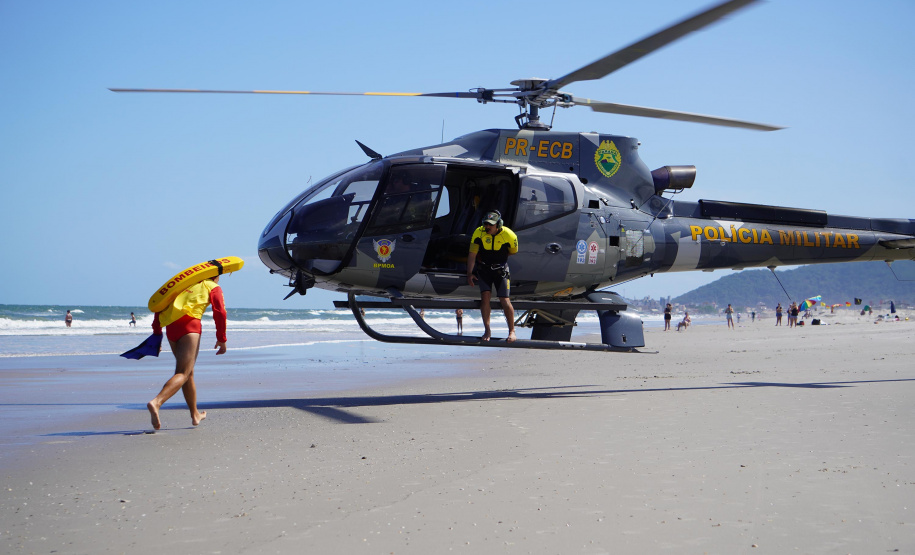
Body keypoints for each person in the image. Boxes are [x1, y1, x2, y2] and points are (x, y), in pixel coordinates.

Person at [146, 275, 227, 430]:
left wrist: (157, 334)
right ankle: (157, 402)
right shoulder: (212, 286)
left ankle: (195, 414)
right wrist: (221, 338)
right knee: (183, 373)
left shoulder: (181, 285)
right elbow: (220, 312)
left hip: (172, 329)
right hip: (190, 327)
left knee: (188, 373)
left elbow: (159, 307)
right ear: (215, 276)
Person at [467, 210, 519, 342]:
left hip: (501, 271)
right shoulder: (478, 232)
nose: (487, 227)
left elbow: (513, 252)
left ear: (498, 225)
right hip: (484, 270)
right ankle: (487, 329)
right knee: (485, 297)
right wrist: (469, 273)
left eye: (490, 225)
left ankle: (512, 331)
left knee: (504, 299)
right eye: (486, 224)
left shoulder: (509, 235)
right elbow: (472, 254)